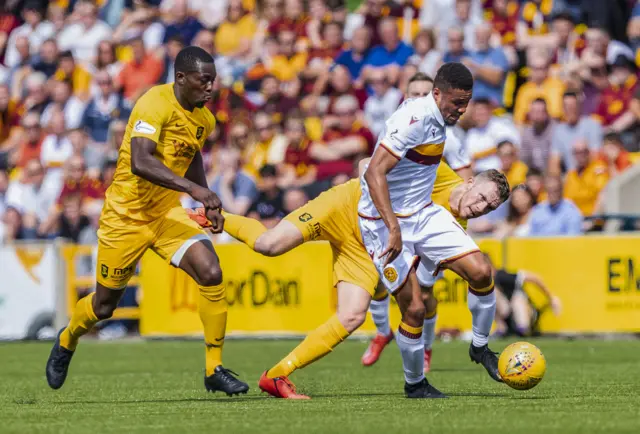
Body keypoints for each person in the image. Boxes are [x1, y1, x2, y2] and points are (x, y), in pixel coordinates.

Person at [191, 160, 508, 399]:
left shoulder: (455, 229)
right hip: (344, 206)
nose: (481, 208)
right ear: (468, 182)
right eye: (481, 198)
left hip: (367, 246)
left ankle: (276, 375)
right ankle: (211, 216)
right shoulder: (433, 170)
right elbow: (366, 164)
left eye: (489, 207)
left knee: (353, 315)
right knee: (270, 245)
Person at [45, 46, 249, 396]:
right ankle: (68, 339)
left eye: (213, 80)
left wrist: (207, 197)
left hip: (166, 213)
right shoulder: (153, 103)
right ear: (181, 78)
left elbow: (192, 155)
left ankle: (214, 368)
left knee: (211, 272)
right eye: (204, 80)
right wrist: (195, 192)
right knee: (104, 306)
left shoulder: (204, 119)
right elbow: (141, 161)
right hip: (125, 217)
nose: (211, 87)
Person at [359, 62, 508, 398]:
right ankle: (415, 384)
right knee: (414, 309)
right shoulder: (413, 120)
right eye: (455, 102)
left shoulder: (443, 124)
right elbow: (373, 173)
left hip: (423, 214)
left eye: (465, 103)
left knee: (482, 271)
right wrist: (393, 229)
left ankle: (480, 348)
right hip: (381, 223)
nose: (461, 109)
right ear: (436, 93)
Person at [404, 72, 472, 180]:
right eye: (416, 94)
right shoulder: (391, 128)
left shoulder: (448, 136)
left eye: (426, 95)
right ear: (405, 97)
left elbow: (466, 181)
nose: (421, 99)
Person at [491, 255, 562, 337]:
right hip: (508, 317)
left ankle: (523, 327)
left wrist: (551, 297)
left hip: (526, 314)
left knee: (517, 297)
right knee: (489, 295)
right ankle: (502, 329)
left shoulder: (502, 276)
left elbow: (534, 278)